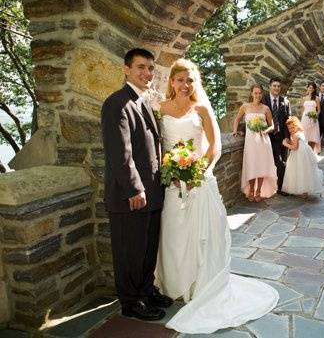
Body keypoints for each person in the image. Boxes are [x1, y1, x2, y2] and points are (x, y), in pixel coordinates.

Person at [155, 58, 278, 334]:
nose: (185, 85)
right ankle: (175, 284)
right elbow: (158, 146)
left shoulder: (201, 109)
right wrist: (171, 169)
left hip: (199, 181)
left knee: (202, 234)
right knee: (174, 231)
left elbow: (215, 146)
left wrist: (197, 171)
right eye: (180, 80)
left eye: (190, 80)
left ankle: (202, 285)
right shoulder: (160, 109)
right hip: (171, 183)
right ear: (171, 82)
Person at [101, 48, 172, 321]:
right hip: (130, 196)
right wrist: (135, 188)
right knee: (130, 251)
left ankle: (145, 290)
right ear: (126, 69)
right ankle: (131, 302)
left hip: (153, 192)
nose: (147, 73)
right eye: (141, 67)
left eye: (151, 68)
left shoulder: (143, 101)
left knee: (146, 248)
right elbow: (120, 153)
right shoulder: (117, 103)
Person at [232, 84, 277, 202]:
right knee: (251, 165)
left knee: (261, 166)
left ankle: (259, 191)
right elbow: (237, 119)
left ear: (262, 94)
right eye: (255, 93)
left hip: (263, 141)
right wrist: (235, 131)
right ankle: (251, 189)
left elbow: (272, 125)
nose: (257, 95)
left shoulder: (266, 108)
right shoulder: (245, 107)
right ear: (251, 93)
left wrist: (265, 130)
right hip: (250, 142)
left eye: (260, 93)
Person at [262, 77, 291, 195]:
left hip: (282, 136)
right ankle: (276, 186)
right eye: (274, 86)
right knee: (278, 161)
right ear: (270, 86)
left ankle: (281, 187)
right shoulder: (263, 99)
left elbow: (288, 120)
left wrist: (288, 136)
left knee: (283, 161)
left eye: (278, 86)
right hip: (268, 136)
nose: (276, 88)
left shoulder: (285, 101)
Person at [281, 116, 323, 197]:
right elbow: (297, 144)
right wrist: (290, 141)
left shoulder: (295, 135)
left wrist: (285, 144)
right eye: (289, 128)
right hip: (305, 154)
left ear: (297, 126)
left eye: (293, 127)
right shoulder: (300, 132)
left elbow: (295, 147)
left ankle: (303, 191)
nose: (291, 130)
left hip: (299, 154)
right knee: (305, 171)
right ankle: (305, 191)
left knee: (300, 171)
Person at [299, 82, 321, 153]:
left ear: (314, 89)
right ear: (307, 88)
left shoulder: (317, 98)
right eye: (309, 87)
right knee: (306, 136)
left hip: (313, 119)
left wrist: (315, 116)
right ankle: (307, 152)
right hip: (305, 119)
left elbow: (319, 110)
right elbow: (302, 110)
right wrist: (301, 120)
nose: (311, 89)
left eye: (312, 88)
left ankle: (311, 153)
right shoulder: (304, 98)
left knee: (313, 136)